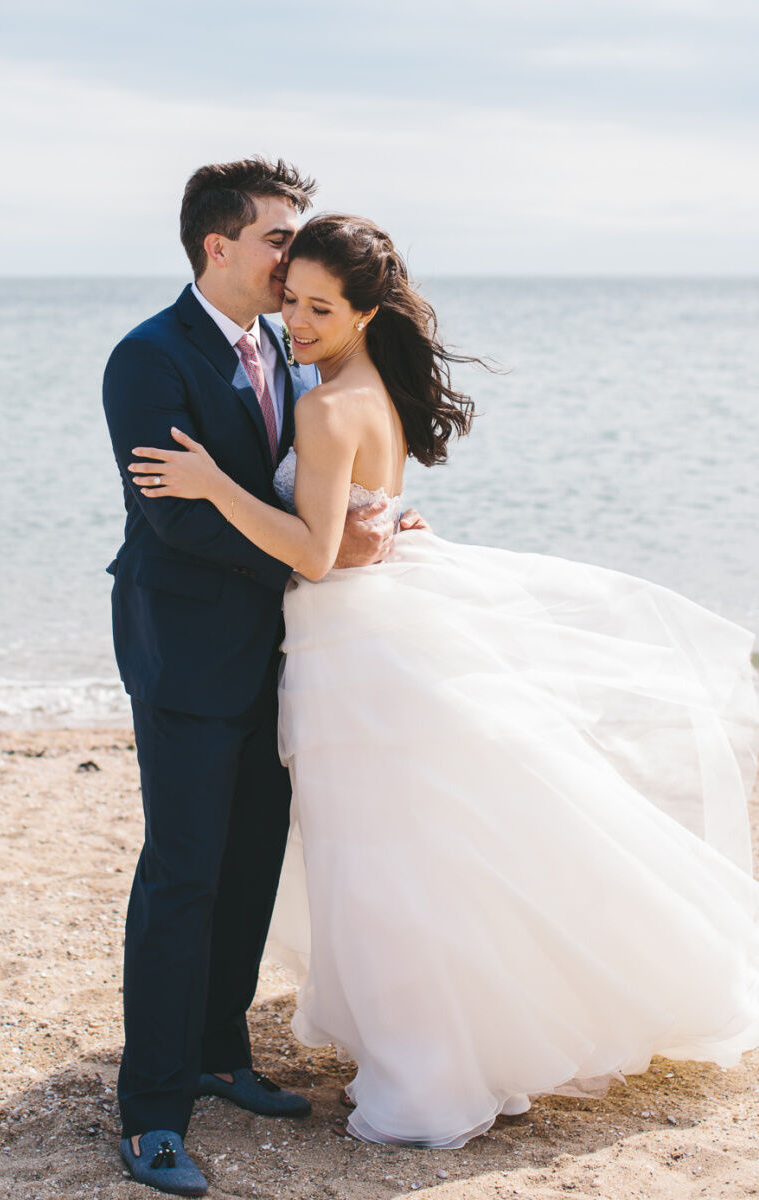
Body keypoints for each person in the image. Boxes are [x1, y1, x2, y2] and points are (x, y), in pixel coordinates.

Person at [129, 212, 759, 1151]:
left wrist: (216, 484)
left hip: (349, 651)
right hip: (373, 634)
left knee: (380, 864)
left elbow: (309, 553)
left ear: (366, 310)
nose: (294, 323)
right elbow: (348, 522)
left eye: (317, 308)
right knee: (416, 851)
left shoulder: (323, 402)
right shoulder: (361, 382)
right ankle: (457, 1041)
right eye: (291, 300)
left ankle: (429, 1068)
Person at [102, 164, 414, 1197]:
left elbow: (322, 478)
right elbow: (174, 516)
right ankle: (151, 1113)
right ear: (218, 248)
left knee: (247, 862)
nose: (294, 252)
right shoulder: (146, 357)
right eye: (279, 236)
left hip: (285, 652)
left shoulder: (287, 343)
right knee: (184, 870)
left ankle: (219, 1055)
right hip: (185, 647)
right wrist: (319, 551)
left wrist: (362, 527)